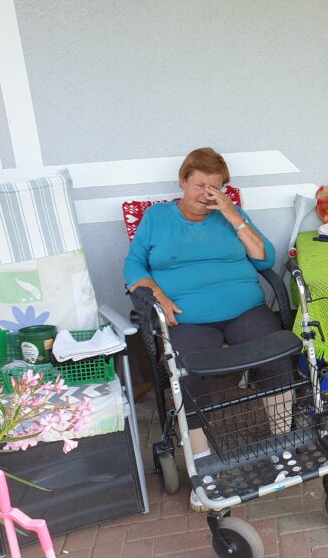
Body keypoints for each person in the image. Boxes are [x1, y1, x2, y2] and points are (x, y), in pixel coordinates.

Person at [123, 147, 293, 462]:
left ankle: (282, 441)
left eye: (215, 187)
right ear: (183, 181)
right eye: (200, 185)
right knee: (188, 369)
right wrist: (156, 293)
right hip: (187, 319)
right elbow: (133, 265)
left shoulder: (231, 215)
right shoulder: (157, 218)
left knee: (276, 354)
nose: (206, 194)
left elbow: (264, 258)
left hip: (245, 312)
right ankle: (201, 458)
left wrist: (233, 215)